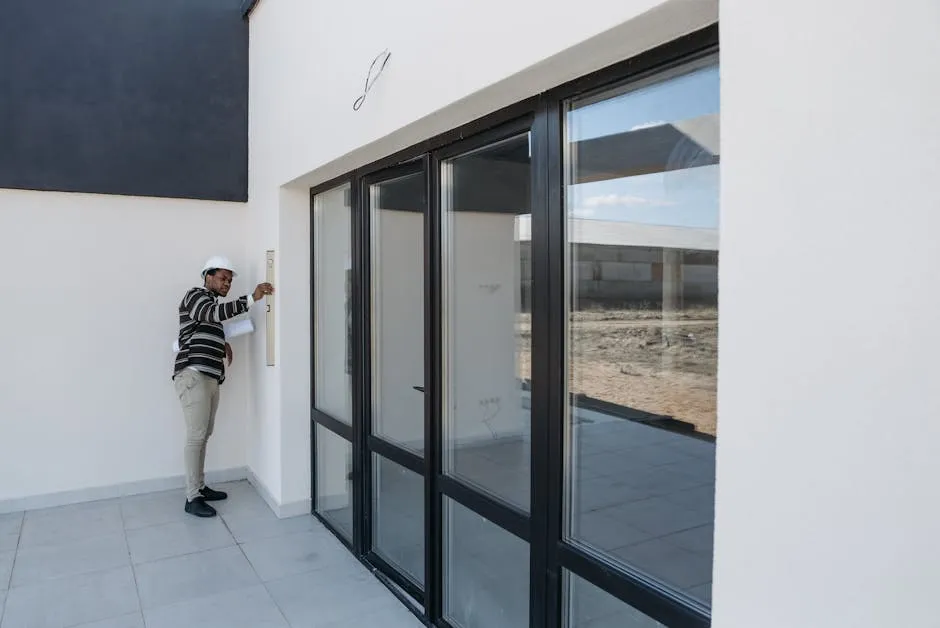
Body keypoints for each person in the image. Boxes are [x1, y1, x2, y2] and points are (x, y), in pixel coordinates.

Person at [173, 256, 274, 517]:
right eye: (223, 278)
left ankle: (200, 487)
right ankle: (191, 497)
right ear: (208, 276)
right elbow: (212, 313)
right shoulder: (195, 295)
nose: (227, 283)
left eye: (229, 280)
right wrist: (251, 298)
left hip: (209, 377)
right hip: (193, 374)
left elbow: (207, 324)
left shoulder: (209, 306)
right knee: (196, 436)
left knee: (204, 434)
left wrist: (221, 342)